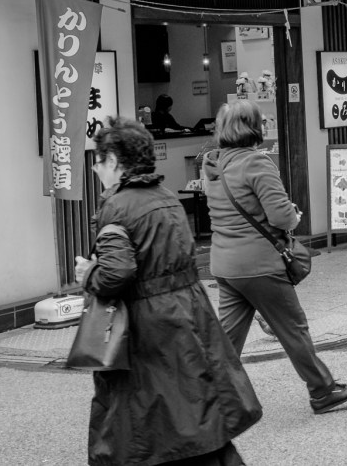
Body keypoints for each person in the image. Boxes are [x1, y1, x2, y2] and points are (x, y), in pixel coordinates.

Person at [75, 118, 258, 466]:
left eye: (98, 161)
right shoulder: (168, 197)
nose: (97, 170)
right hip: (188, 316)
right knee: (196, 413)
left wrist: (88, 273)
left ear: (113, 160)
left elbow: (117, 273)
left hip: (149, 330)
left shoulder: (116, 207)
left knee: (148, 427)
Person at [202, 100, 347, 415]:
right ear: (254, 127)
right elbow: (280, 216)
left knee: (228, 337)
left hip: (225, 264)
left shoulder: (212, 166)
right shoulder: (256, 164)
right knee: (293, 328)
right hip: (259, 265)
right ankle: (323, 390)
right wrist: (294, 215)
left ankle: (204, 398)